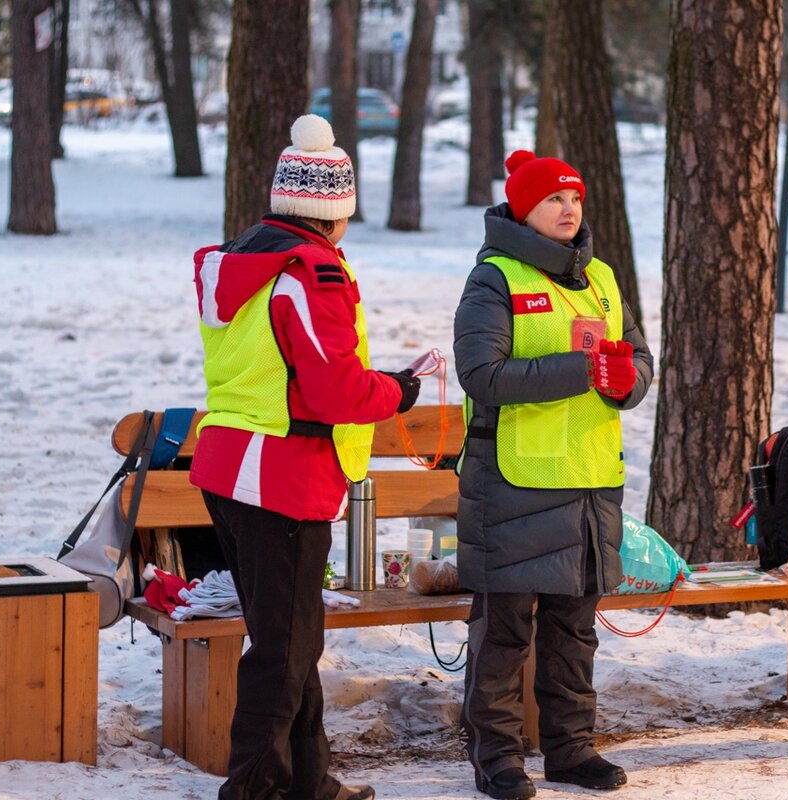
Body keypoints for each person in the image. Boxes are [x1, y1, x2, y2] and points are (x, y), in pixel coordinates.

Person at [188, 114, 420, 800]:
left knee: (289, 641)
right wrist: (400, 391)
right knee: (284, 654)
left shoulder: (241, 259)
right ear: (334, 208)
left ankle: (308, 782)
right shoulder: (311, 271)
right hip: (281, 476)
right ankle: (255, 788)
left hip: (229, 466)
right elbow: (335, 388)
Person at [454, 150, 653, 799]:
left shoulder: (601, 277)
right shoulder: (495, 279)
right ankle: (497, 757)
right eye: (553, 200)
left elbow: (639, 356)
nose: (568, 209)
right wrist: (584, 370)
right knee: (504, 630)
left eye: (574, 198)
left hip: (590, 481)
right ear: (522, 209)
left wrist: (629, 383)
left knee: (574, 629)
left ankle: (570, 749)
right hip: (513, 482)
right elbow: (482, 375)